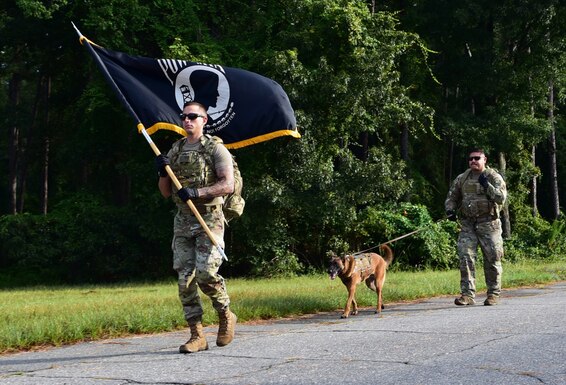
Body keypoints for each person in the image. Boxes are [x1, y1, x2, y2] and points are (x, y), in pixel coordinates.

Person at [155, 101, 237, 353]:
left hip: (209, 220)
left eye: (193, 116)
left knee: (206, 273)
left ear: (204, 120)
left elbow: (228, 185)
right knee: (184, 280)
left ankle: (225, 315)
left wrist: (198, 192)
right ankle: (197, 336)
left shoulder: (215, 149)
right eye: (184, 116)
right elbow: (166, 193)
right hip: (183, 221)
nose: (187, 120)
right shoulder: (176, 150)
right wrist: (162, 173)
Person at [445, 148, 507, 306]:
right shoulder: (463, 178)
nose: (473, 161)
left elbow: (501, 198)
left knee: (492, 259)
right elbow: (452, 197)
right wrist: (450, 210)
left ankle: (493, 294)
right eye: (471, 159)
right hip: (468, 225)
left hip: (489, 224)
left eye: (477, 158)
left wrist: (487, 186)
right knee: (465, 257)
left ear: (484, 159)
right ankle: (467, 295)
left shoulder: (493, 177)